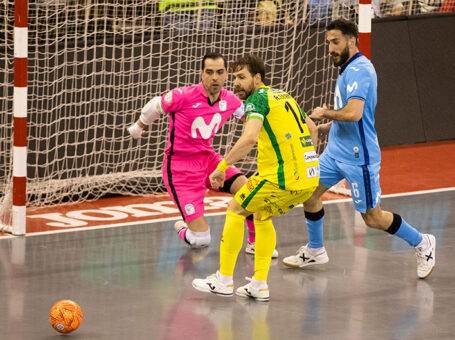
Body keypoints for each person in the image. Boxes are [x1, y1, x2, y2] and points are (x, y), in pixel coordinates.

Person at [282, 19, 436, 280]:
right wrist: (326, 127)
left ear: (352, 40)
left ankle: (423, 243)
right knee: (308, 193)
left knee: (373, 218)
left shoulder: (361, 70)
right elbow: (350, 116)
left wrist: (323, 113)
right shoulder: (346, 69)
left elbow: (353, 114)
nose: (330, 47)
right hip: (334, 152)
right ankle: (316, 250)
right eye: (328, 42)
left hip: (358, 158)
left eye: (335, 42)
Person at [192, 54, 320, 301]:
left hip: (280, 178)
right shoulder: (284, 95)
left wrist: (222, 166)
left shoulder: (257, 99)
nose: (236, 83)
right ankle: (259, 285)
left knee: (235, 208)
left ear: (257, 78)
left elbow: (250, 138)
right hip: (307, 180)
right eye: (235, 77)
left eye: (242, 77)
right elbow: (312, 129)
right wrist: (306, 164)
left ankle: (224, 280)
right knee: (262, 215)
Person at [127, 52, 278, 257]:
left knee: (250, 193)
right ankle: (183, 227)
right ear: (201, 74)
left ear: (226, 75)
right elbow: (155, 105)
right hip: (180, 168)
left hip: (208, 160)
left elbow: (252, 121)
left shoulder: (230, 100)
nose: (214, 77)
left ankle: (254, 242)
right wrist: (138, 127)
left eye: (219, 72)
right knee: (201, 240)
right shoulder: (183, 96)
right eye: (209, 72)